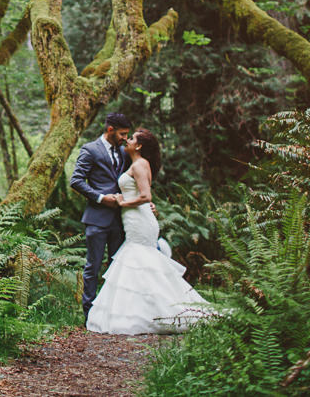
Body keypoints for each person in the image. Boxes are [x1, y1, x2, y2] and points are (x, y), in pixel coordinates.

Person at [86, 128, 209, 335]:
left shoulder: (141, 164)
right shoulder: (135, 164)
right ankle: (143, 311)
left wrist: (123, 203)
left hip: (140, 220)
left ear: (139, 145)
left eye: (132, 138)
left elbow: (146, 196)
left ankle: (166, 311)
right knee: (138, 264)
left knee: (141, 260)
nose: (128, 140)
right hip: (135, 219)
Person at [70, 112, 132, 322]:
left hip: (120, 219)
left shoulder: (124, 153)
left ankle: (113, 314)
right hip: (97, 218)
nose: (125, 138)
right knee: (93, 267)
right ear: (110, 130)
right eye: (123, 134)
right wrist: (100, 198)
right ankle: (90, 315)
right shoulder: (90, 149)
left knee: (116, 268)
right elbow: (76, 180)